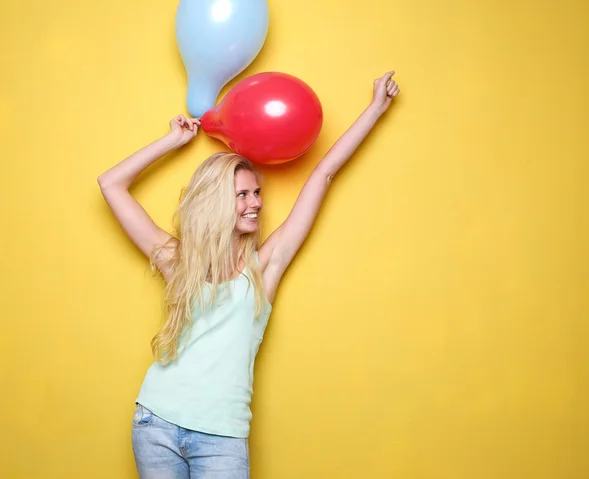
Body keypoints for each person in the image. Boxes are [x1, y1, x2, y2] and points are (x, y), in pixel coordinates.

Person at [98, 71, 399, 479]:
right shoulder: (179, 262)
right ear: (218, 201)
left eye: (257, 193)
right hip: (157, 424)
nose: (255, 203)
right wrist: (174, 140)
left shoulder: (265, 266)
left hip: (221, 438)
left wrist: (376, 108)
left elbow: (323, 174)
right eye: (243, 194)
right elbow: (111, 184)